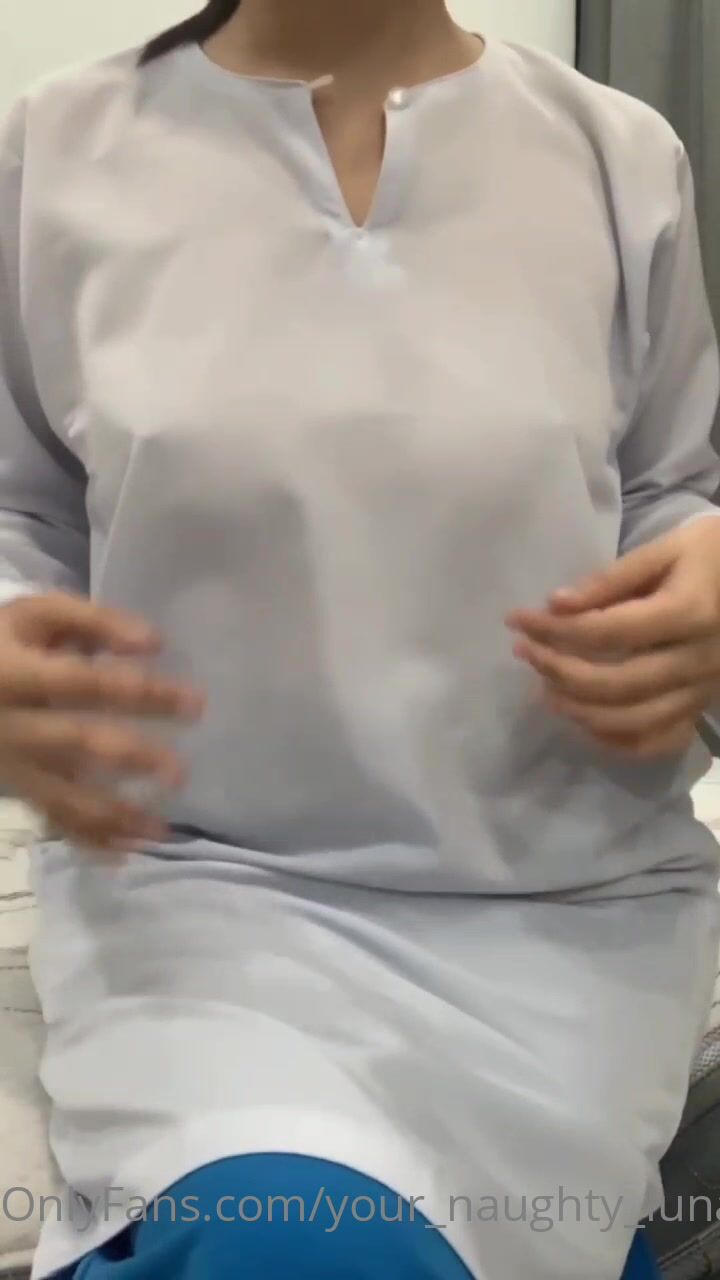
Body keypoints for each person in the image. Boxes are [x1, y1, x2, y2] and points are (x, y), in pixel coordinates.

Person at [0, 0, 718, 1276]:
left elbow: (668, 486)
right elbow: (19, 507)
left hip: (564, 908)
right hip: (208, 900)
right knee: (299, 1240)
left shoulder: (618, 157)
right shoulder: (53, 151)